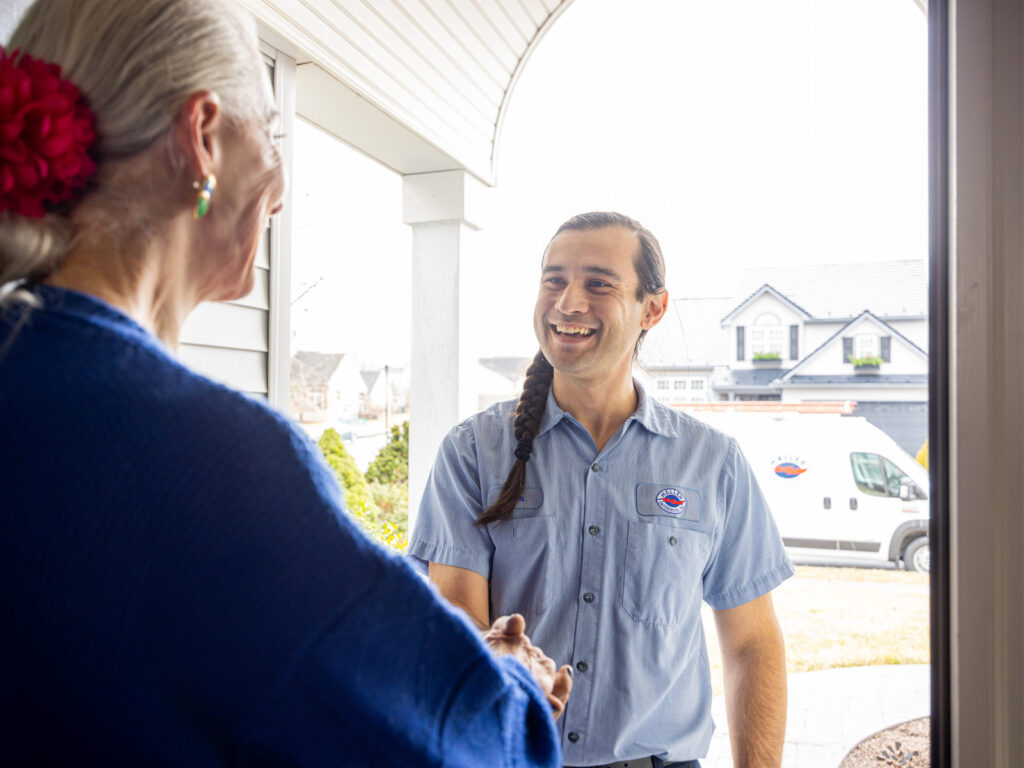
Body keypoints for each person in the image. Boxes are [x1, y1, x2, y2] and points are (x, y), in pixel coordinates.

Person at [0, 0, 570, 764]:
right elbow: (452, 746)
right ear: (201, 138)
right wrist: (515, 686)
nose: (280, 177)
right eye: (270, 131)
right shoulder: (208, 462)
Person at [409, 212, 794, 768]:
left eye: (598, 283)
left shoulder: (713, 463)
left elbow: (752, 644)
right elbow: (458, 621)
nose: (568, 302)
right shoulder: (472, 453)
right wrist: (499, 656)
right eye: (554, 279)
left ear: (652, 309)